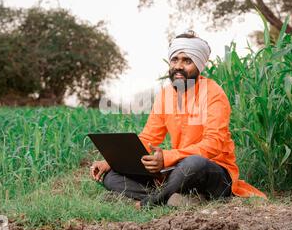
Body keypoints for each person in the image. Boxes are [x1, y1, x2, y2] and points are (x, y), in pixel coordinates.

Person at [90, 30, 266, 208]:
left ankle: (153, 202)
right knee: (112, 176)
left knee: (193, 163)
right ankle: (177, 198)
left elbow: (214, 144)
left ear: (199, 65)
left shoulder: (214, 94)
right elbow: (148, 138)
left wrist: (166, 158)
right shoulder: (165, 95)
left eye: (187, 61)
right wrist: (112, 161)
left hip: (212, 171)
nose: (178, 66)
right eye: (175, 60)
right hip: (177, 169)